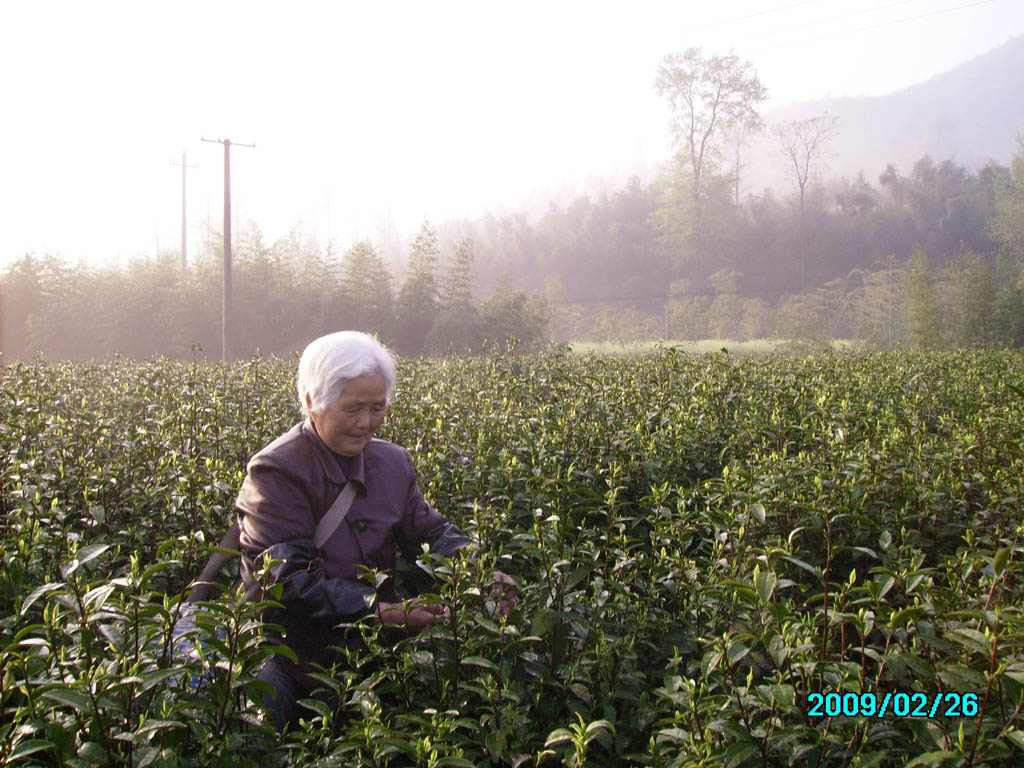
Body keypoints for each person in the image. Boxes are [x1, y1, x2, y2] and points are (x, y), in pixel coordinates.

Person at [235, 331, 515, 732]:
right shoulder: (278, 471)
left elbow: (431, 532)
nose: (366, 423)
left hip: (372, 660)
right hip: (291, 662)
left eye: (377, 408)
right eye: (352, 409)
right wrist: (385, 612)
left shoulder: (392, 464)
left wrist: (479, 572)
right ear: (313, 401)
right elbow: (285, 581)